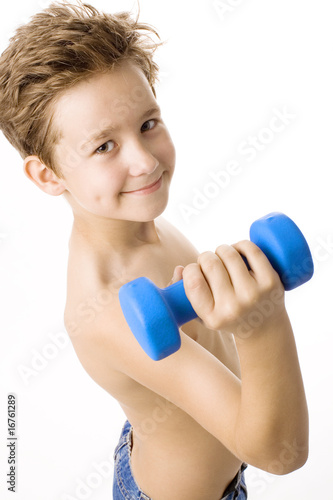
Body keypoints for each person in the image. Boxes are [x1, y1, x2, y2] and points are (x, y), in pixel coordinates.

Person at [0, 2, 309, 499]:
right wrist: (263, 323)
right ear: (48, 174)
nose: (144, 162)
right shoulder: (107, 309)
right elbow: (280, 453)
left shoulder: (134, 219)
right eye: (103, 147)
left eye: (147, 124)